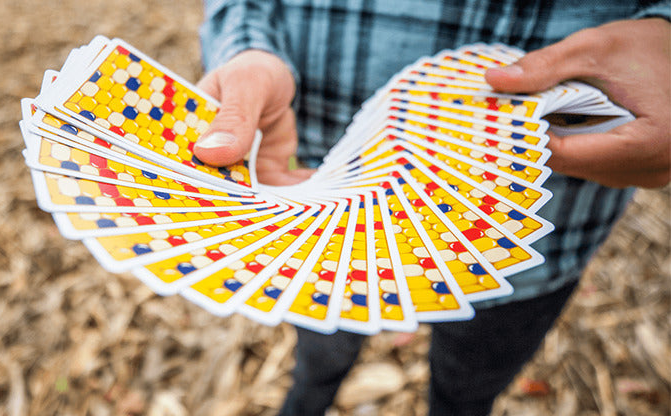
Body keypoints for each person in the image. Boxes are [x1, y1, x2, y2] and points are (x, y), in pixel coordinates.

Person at [194, 1, 671, 415]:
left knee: (465, 393)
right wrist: (247, 48)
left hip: (533, 233)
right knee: (319, 360)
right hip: (319, 213)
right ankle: (308, 400)